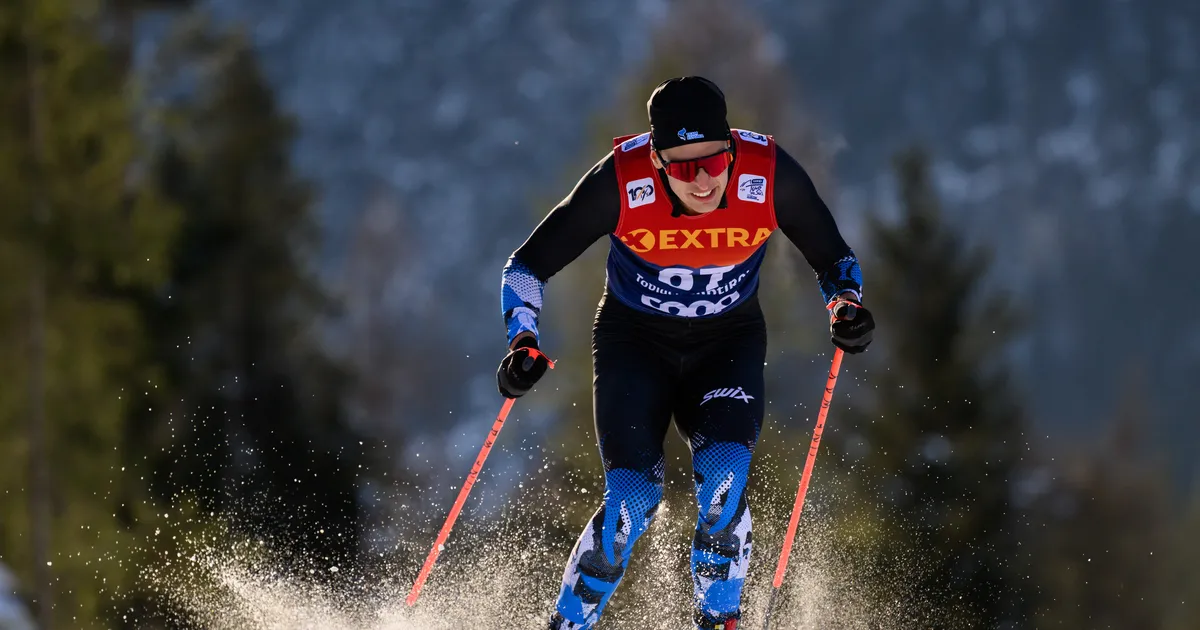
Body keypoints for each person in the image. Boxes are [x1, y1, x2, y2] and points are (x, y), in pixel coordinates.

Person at [496, 76, 875, 630]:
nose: (702, 181)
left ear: (731, 149)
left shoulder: (769, 174)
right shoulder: (619, 182)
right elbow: (527, 266)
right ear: (656, 160)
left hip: (727, 342)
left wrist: (845, 307)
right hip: (635, 343)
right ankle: (568, 623)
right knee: (630, 501)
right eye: (682, 168)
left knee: (724, 481)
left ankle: (719, 620)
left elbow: (834, 259)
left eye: (714, 162)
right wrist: (522, 339)